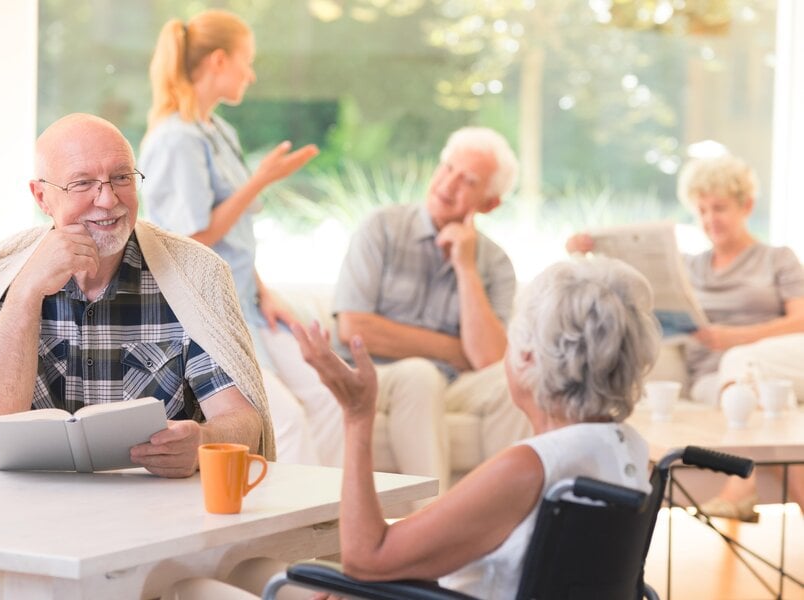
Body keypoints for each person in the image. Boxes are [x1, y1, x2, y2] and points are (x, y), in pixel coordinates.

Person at [292, 256, 660, 598]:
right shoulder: (630, 450)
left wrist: (358, 415)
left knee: (270, 580)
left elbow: (365, 558)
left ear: (527, 357)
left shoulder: (530, 467)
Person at [0, 113, 275, 477]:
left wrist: (202, 442)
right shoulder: (0, 276)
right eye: (83, 183)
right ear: (42, 197)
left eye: (121, 178)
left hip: (158, 512)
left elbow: (244, 420)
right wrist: (27, 291)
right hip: (29, 511)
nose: (106, 200)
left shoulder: (196, 274)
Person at [138, 9, 334, 466]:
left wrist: (266, 292)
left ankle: (334, 519)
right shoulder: (176, 139)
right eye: (247, 60)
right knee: (282, 419)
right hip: (209, 309)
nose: (252, 72)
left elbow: (236, 238)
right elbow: (191, 239)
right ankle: (292, 522)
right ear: (219, 61)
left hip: (247, 299)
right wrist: (259, 180)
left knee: (327, 395)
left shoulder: (218, 130)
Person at [566, 153, 804, 520]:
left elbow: (800, 321)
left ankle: (741, 485)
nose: (710, 219)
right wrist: (588, 255)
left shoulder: (777, 258)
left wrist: (736, 337)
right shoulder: (689, 267)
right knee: (746, 393)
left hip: (775, 366)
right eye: (702, 210)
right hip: (711, 380)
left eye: (720, 208)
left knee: (741, 363)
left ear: (747, 206)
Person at [332, 126, 532, 491]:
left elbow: (489, 359)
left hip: (451, 383)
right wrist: (454, 350)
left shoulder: (496, 263)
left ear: (490, 203)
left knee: (515, 376)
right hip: (377, 376)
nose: (448, 183)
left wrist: (466, 268)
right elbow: (354, 329)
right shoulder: (383, 228)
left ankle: (507, 518)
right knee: (420, 375)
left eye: (468, 180)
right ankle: (431, 525)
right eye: (447, 167)